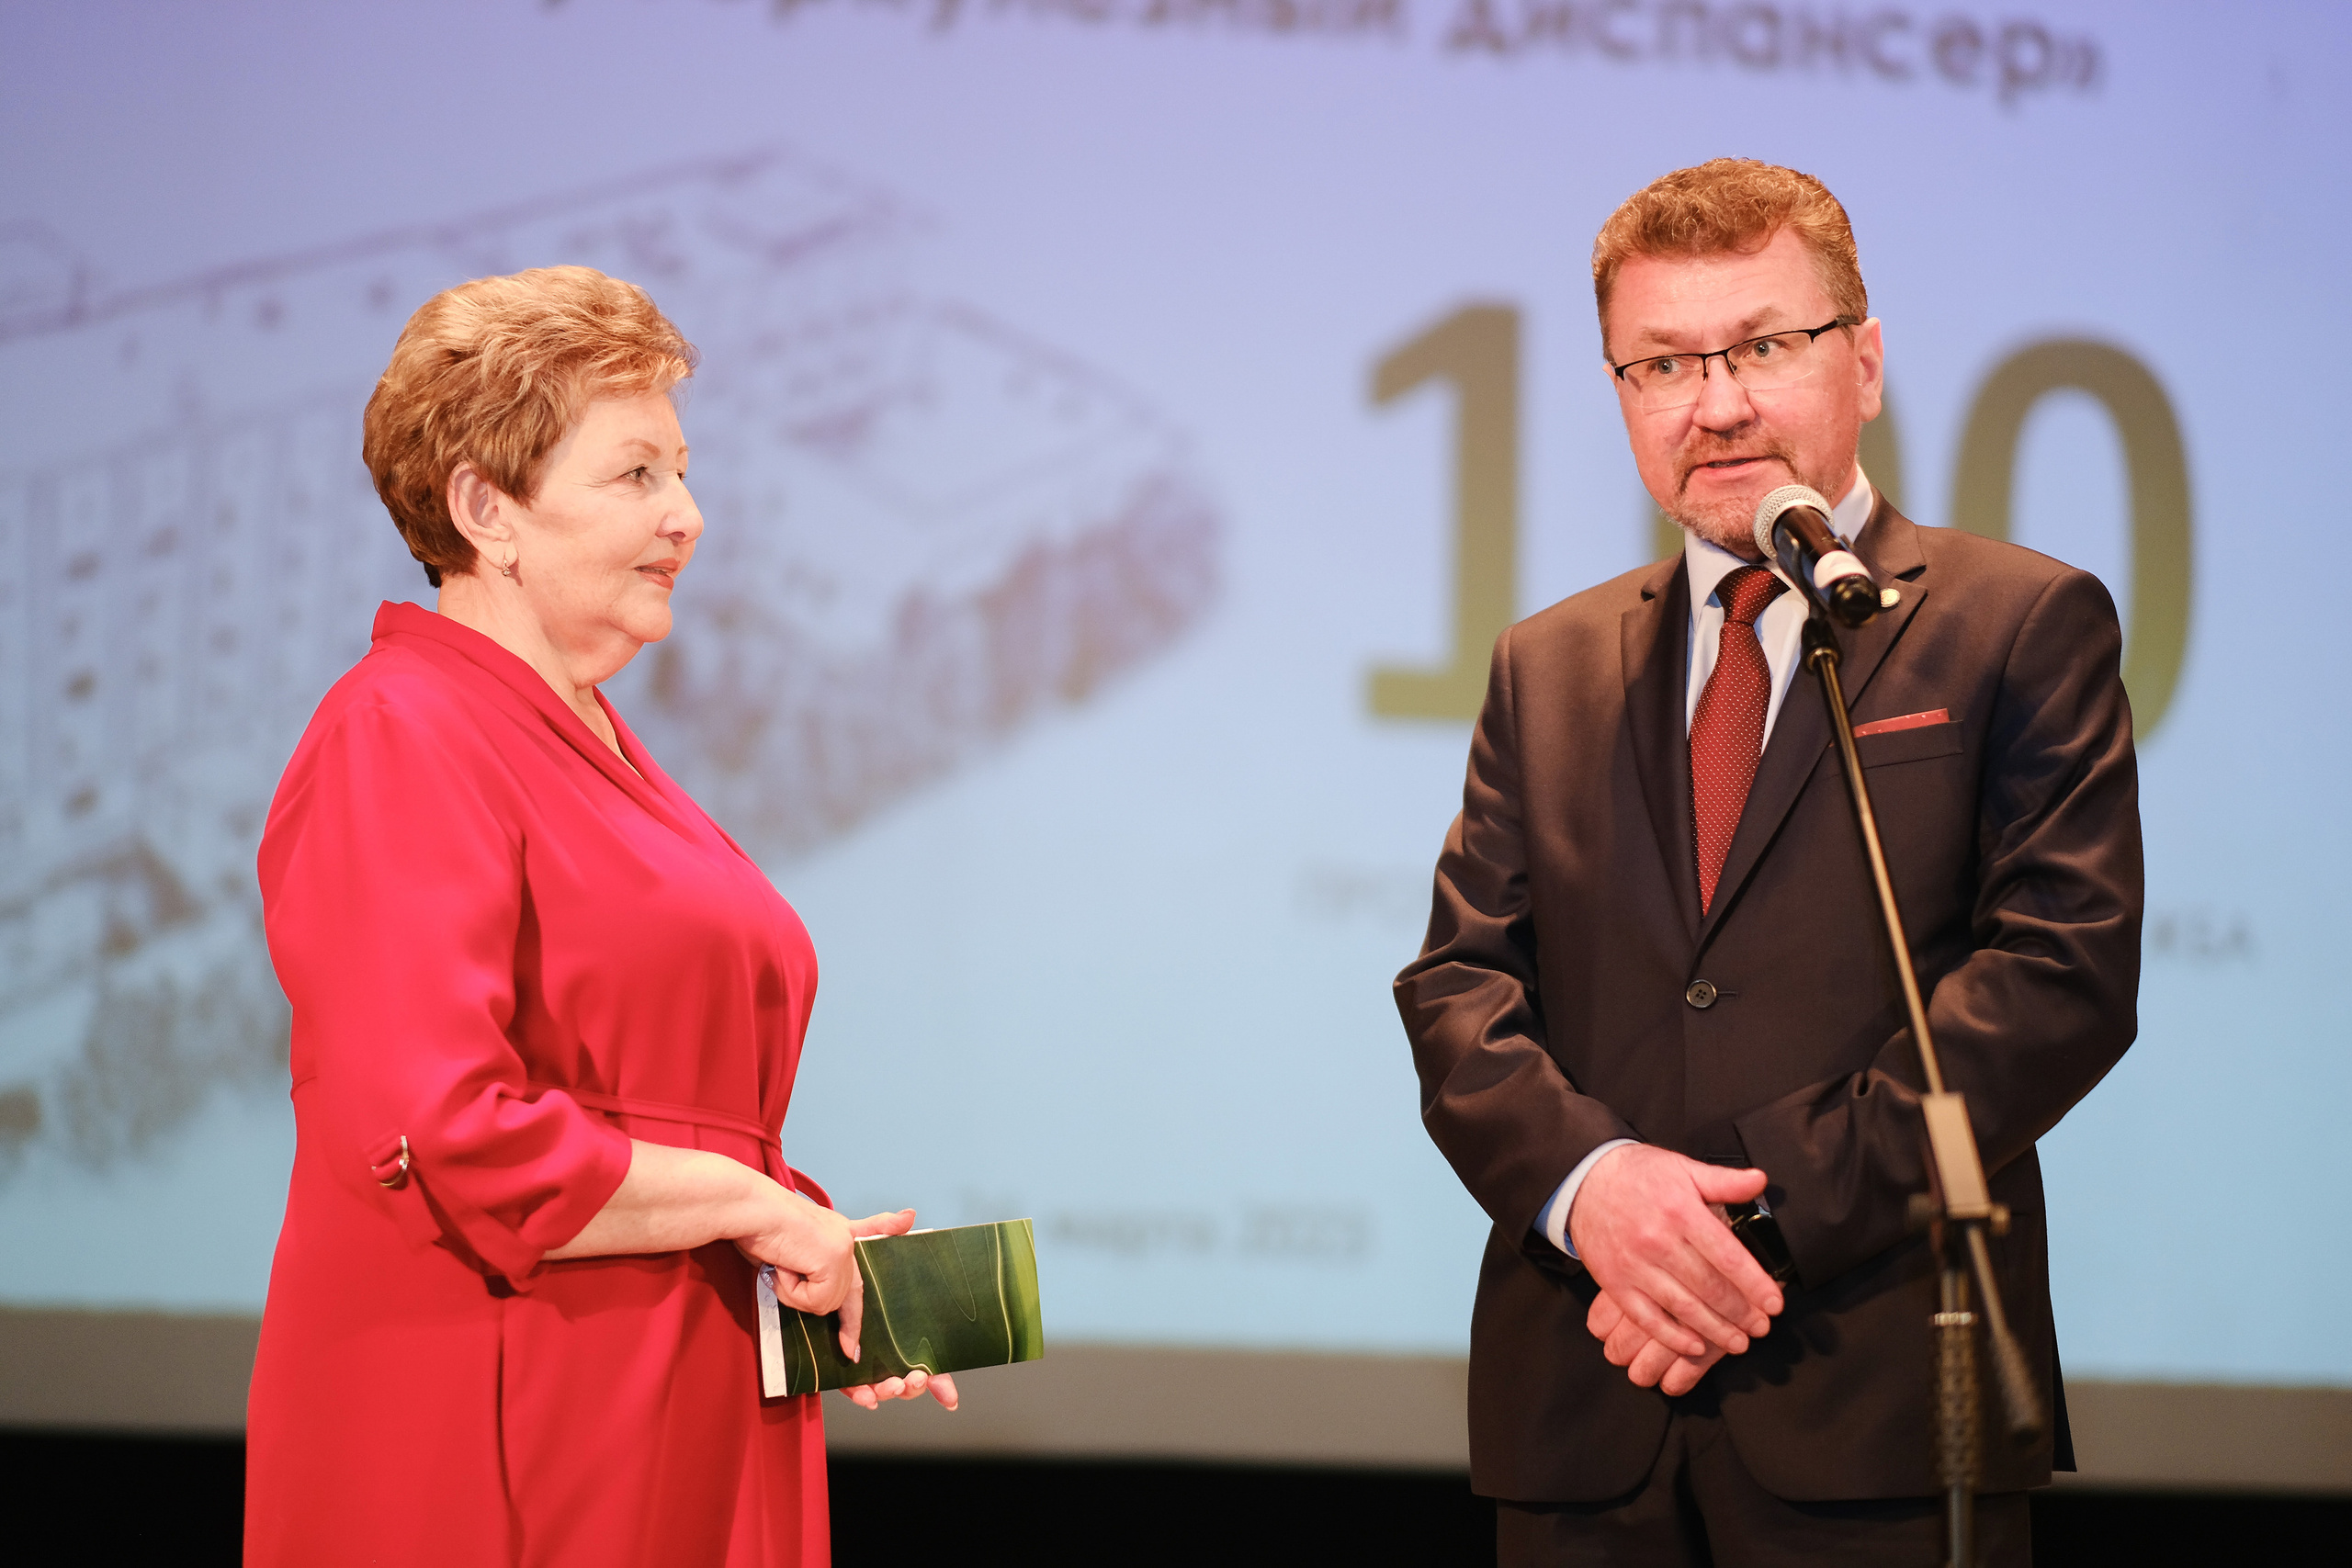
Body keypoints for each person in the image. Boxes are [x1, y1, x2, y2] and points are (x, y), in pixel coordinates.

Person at [1394, 160, 2141, 1564]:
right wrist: (1595, 1192)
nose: (1716, 400)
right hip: (1585, 1412)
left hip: (1875, 1410)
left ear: (1863, 362)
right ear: (1621, 393)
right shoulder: (1544, 664)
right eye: (1663, 362)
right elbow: (1458, 992)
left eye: (1764, 345)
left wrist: (1748, 1219)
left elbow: (2059, 981)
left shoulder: (2016, 623)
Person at [244, 266, 951, 1568]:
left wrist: (812, 1248)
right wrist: (753, 1204)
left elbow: (655, 1100)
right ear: (484, 509)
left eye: (681, 472)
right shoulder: (402, 730)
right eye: (636, 475)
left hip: (678, 1387)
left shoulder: (597, 744)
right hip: (515, 1418)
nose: (688, 515)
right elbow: (448, 1127)